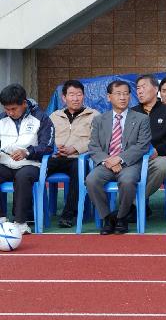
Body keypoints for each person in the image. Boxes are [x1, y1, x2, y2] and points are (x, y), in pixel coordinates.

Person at [85, 80, 152, 235]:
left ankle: (121, 217)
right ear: (109, 97)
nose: (123, 97)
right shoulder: (99, 120)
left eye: (126, 94)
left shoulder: (141, 119)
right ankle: (107, 218)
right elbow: (93, 146)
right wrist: (108, 160)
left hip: (129, 164)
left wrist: (120, 158)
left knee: (128, 181)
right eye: (118, 94)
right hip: (106, 163)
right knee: (91, 180)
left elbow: (142, 145)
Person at [0, 84, 54, 235]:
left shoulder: (42, 119)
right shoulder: (1, 120)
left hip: (31, 164)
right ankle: (1, 220)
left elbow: (48, 147)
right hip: (4, 163)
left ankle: (20, 222)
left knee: (23, 177)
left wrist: (27, 152)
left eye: (13, 109)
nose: (10, 113)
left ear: (24, 103)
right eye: (6, 109)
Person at [47, 80, 98, 229]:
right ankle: (30, 212)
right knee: (34, 169)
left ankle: (68, 214)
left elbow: (97, 140)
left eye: (79, 94)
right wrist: (55, 148)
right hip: (56, 157)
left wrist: (75, 148)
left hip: (79, 158)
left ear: (83, 96)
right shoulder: (54, 116)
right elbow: (46, 137)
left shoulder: (94, 115)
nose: (75, 98)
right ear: (64, 98)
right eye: (71, 95)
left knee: (79, 169)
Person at [132, 74, 166, 216]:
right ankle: (136, 204)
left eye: (144, 87)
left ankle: (133, 203)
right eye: (138, 88)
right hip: (133, 158)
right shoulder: (132, 112)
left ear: (155, 90)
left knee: (162, 165)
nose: (140, 91)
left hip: (156, 157)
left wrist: (158, 150)